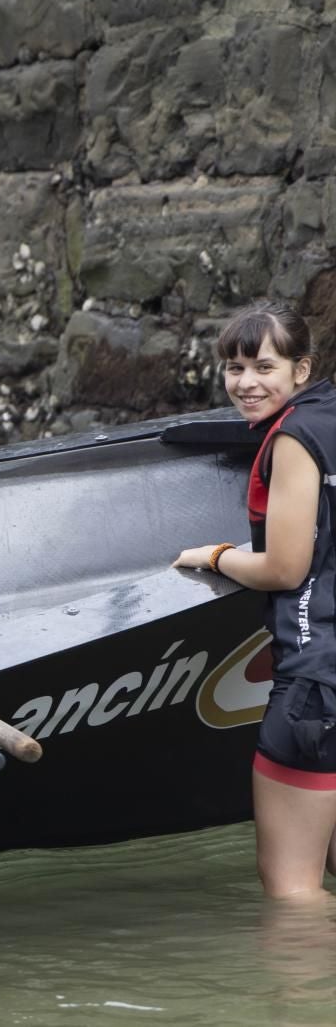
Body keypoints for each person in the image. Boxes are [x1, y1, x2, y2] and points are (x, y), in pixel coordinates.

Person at [174, 300, 336, 900]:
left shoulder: (293, 439)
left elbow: (284, 567)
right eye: (234, 368)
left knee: (293, 893)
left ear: (301, 369)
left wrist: (214, 556)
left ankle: (303, 995)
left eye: (264, 367)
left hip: (316, 684)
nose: (245, 384)